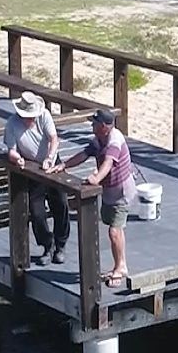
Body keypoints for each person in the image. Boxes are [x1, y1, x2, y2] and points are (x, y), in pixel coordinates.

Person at [63, 107, 137, 288]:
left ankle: (121, 267)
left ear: (104, 126)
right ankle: (120, 262)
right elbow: (84, 154)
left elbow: (108, 163)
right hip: (108, 191)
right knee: (113, 227)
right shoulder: (99, 139)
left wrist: (95, 178)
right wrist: (64, 165)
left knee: (114, 231)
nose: (92, 125)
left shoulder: (114, 141)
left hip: (122, 191)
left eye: (95, 123)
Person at [0, 90, 67, 265]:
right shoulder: (12, 124)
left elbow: (53, 139)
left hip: (50, 163)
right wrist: (17, 159)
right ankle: (47, 244)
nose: (32, 119)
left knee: (61, 204)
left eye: (33, 116)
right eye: (28, 117)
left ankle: (60, 245)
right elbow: (11, 150)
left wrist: (50, 158)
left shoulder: (44, 116)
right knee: (37, 212)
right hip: (32, 168)